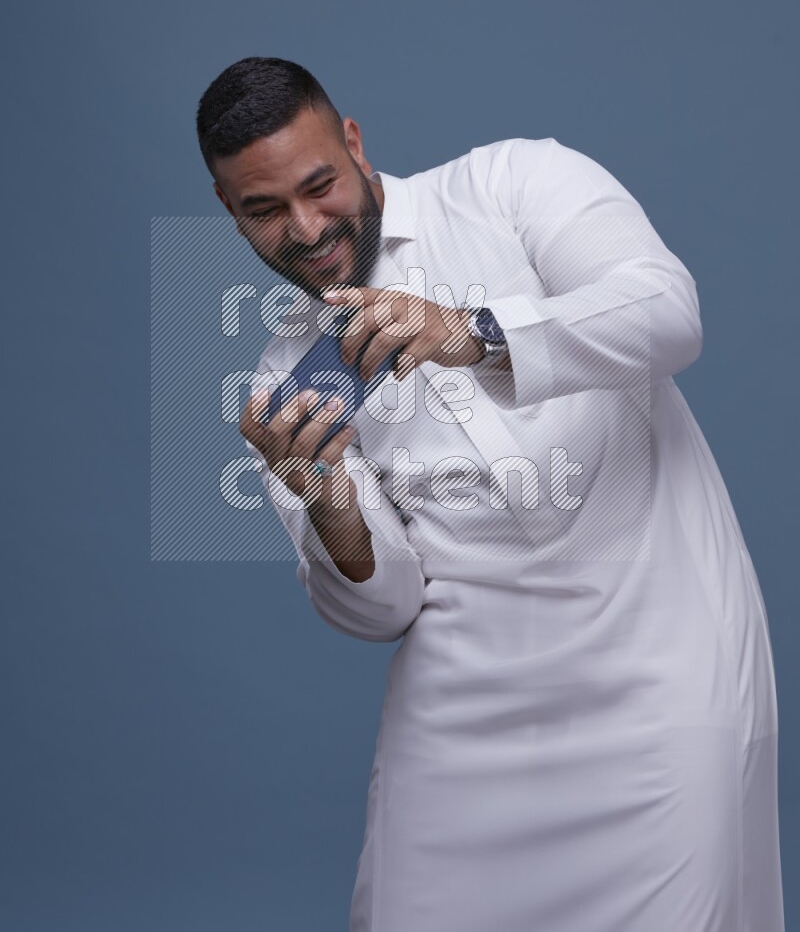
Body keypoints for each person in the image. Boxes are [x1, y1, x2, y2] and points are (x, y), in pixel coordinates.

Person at [196, 57, 784, 932]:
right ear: (231, 214)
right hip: (463, 715)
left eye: (319, 186)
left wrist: (473, 334)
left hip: (657, 676)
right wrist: (325, 498)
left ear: (354, 143)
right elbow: (384, 608)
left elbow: (669, 314)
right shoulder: (286, 373)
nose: (308, 227)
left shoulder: (512, 184)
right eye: (265, 210)